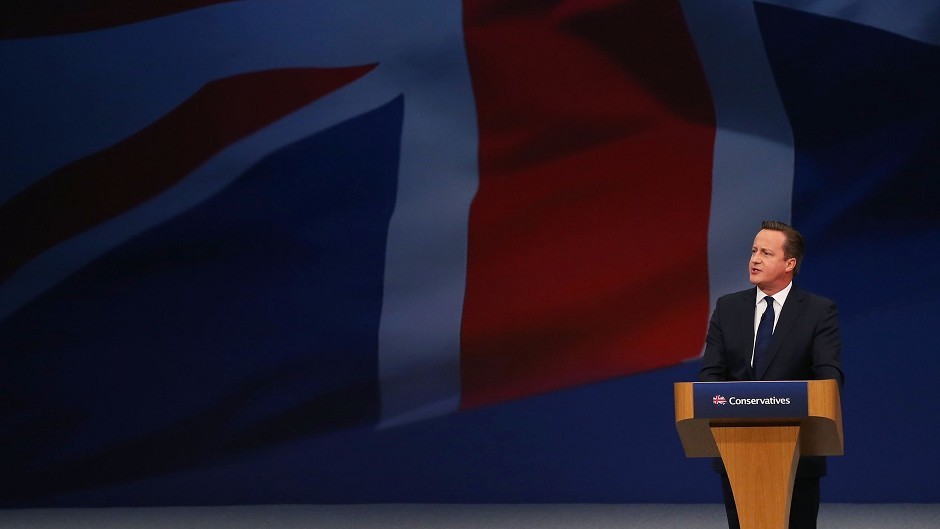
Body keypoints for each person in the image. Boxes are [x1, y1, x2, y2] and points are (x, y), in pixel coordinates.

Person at [699, 220, 843, 529]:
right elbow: (711, 375)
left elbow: (829, 375)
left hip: (797, 452)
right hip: (736, 449)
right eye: (753, 251)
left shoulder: (818, 311)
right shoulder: (727, 308)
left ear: (790, 263)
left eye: (766, 252)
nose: (755, 259)